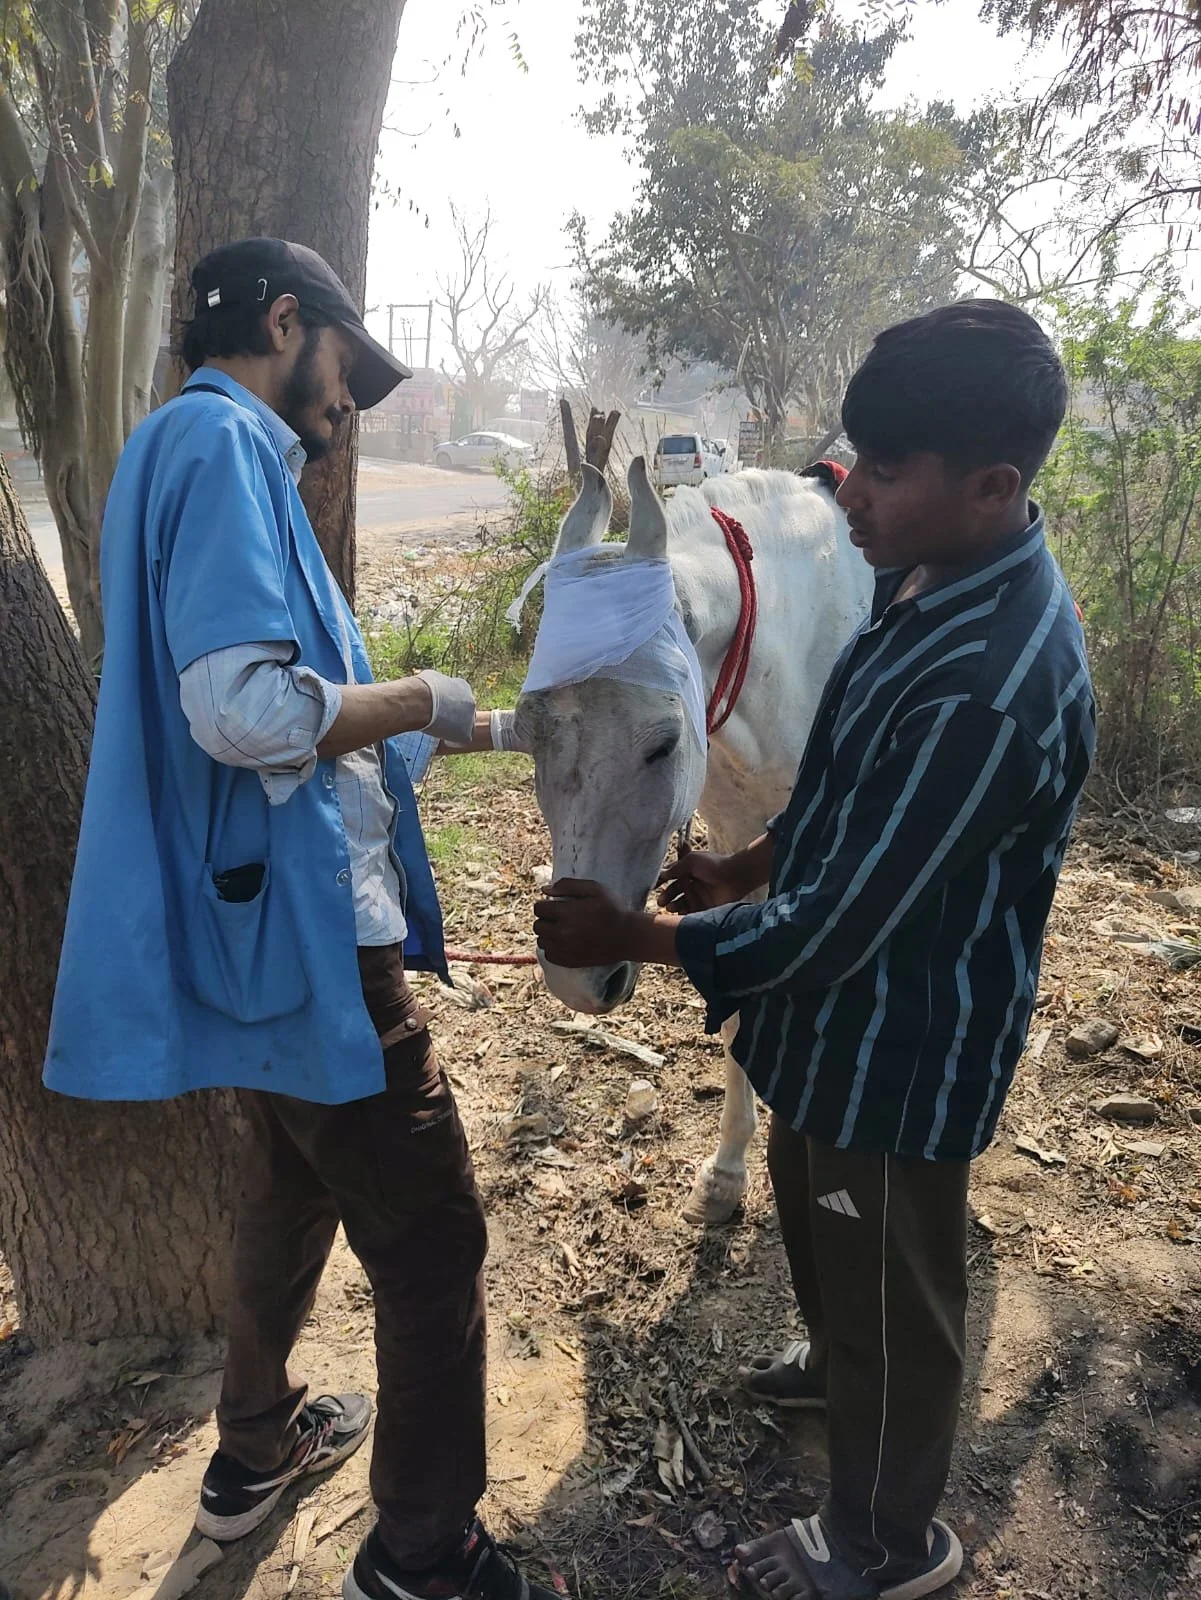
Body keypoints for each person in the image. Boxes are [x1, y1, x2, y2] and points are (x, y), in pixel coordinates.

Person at [533, 301, 1095, 1600]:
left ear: (993, 485)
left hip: (901, 1051)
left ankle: (886, 1542)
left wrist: (647, 934)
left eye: (888, 472)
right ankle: (842, 1369)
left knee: (896, 1279)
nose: (852, 489)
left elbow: (845, 926)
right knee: (814, 1203)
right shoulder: (928, 582)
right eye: (857, 457)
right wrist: (746, 863)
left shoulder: (989, 684)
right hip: (835, 1043)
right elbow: (849, 785)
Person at [44, 238, 552, 1600]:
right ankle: (424, 1549)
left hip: (248, 931)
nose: (348, 408)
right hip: (311, 942)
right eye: (346, 375)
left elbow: (312, 723)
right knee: (434, 1234)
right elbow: (248, 711)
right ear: (286, 322)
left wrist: (499, 727)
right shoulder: (222, 449)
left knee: (287, 1188)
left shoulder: (174, 450)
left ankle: (255, 1447)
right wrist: (434, 696)